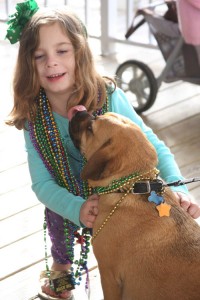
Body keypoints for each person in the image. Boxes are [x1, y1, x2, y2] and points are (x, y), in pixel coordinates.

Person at [5, 0, 200, 299]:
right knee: (58, 222)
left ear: (79, 53)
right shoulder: (35, 117)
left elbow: (151, 146)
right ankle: (62, 272)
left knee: (161, 208)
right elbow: (42, 184)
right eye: (38, 55)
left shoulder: (108, 96)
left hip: (126, 189)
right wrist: (77, 209)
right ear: (28, 65)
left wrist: (176, 187)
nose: (50, 62)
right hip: (69, 193)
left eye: (61, 51)